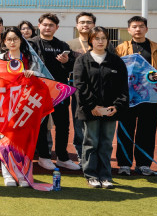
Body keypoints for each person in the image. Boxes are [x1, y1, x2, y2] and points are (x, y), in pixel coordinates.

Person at [114, 15, 157, 176]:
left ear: (146, 29)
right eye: (134, 26)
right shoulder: (121, 48)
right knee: (125, 131)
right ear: (129, 30)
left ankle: (144, 164)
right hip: (128, 97)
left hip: (149, 97)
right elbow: (114, 67)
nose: (138, 29)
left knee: (147, 131)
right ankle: (124, 164)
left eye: (141, 26)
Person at [73, 26, 128, 188]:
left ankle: (105, 175)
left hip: (110, 111)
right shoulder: (82, 60)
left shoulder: (116, 61)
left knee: (106, 144)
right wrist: (92, 106)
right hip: (90, 110)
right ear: (91, 40)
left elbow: (123, 87)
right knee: (90, 142)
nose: (100, 41)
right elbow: (80, 86)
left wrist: (117, 106)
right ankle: (91, 175)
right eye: (97, 38)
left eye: (103, 38)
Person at [28, 13, 80, 172]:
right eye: (44, 24)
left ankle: (62, 157)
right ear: (39, 26)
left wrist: (67, 62)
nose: (47, 27)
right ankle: (44, 156)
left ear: (56, 28)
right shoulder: (31, 44)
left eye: (51, 25)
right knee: (41, 125)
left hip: (59, 91)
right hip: (38, 91)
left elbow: (72, 68)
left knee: (63, 125)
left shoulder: (63, 45)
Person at [0, 27, 39, 186]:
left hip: (26, 106)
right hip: (5, 105)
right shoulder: (0, 58)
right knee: (6, 140)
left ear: (21, 40)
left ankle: (23, 175)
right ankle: (8, 175)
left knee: (24, 141)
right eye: (9, 39)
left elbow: (42, 77)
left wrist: (33, 74)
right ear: (4, 42)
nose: (12, 42)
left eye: (15, 39)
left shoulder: (31, 59)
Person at [66, 12, 98, 162]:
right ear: (77, 25)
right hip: (78, 91)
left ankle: (95, 154)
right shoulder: (69, 45)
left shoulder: (101, 42)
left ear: (94, 25)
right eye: (82, 22)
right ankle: (81, 154)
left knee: (97, 123)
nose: (85, 25)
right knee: (79, 122)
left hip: (98, 90)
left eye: (89, 22)